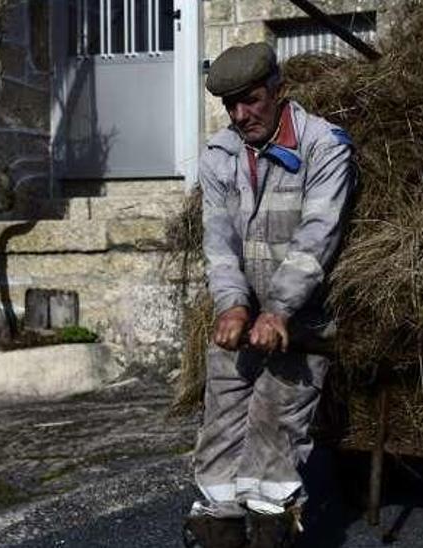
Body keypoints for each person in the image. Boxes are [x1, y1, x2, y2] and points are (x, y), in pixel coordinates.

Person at [183, 42, 355, 548]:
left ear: (279, 92)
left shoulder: (325, 146)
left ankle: (270, 521)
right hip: (243, 313)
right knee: (221, 417)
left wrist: (279, 309)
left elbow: (317, 238)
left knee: (274, 423)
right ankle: (219, 519)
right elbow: (217, 241)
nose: (241, 115)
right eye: (230, 105)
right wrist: (232, 303)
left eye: (252, 100)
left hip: (304, 313)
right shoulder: (219, 154)